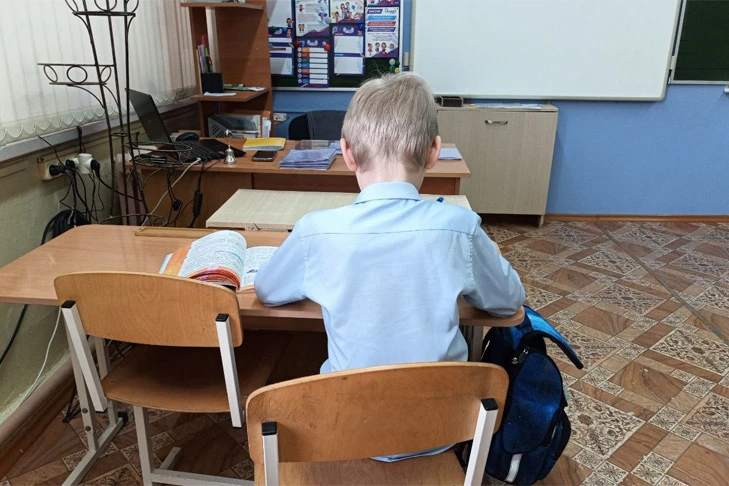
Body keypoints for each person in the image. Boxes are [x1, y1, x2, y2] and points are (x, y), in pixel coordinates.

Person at [255, 73, 525, 460]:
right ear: (434, 152)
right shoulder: (460, 228)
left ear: (347, 152)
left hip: (347, 428)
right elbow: (509, 301)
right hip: (442, 429)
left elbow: (267, 291)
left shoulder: (316, 231)